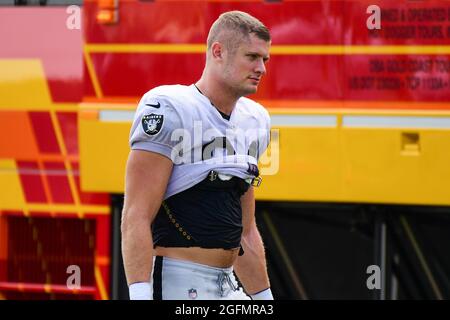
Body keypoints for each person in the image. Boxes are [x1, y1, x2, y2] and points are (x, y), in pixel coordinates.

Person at [121, 10, 273, 300]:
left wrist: (264, 298)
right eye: (252, 57)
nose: (262, 68)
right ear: (218, 52)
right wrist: (140, 295)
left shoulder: (254, 120)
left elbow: (246, 231)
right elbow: (136, 215)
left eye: (264, 59)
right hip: (180, 283)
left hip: (228, 285)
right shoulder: (169, 107)